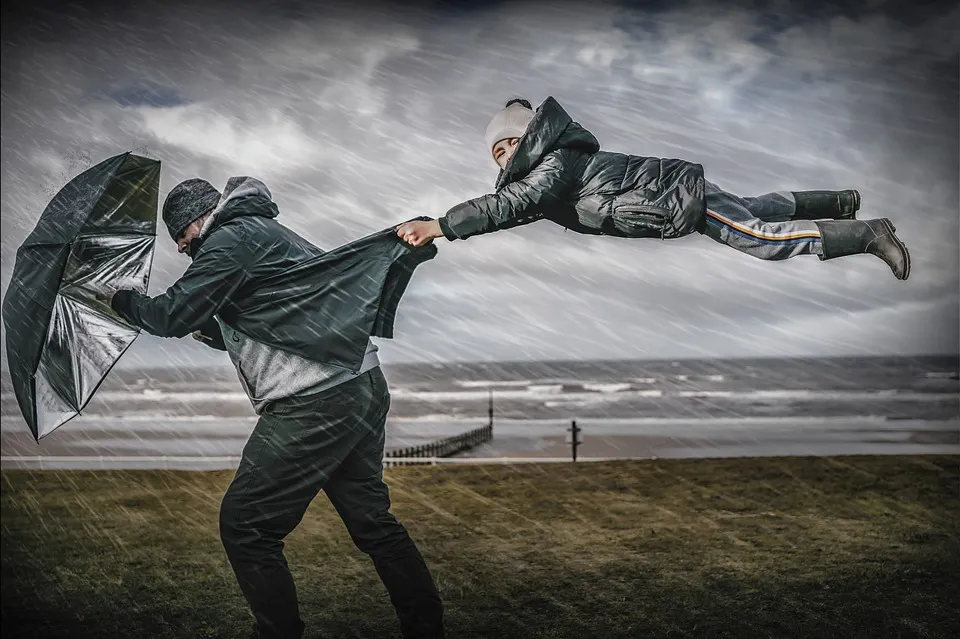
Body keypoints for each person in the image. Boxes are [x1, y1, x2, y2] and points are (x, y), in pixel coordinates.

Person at [104, 176, 445, 639]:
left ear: (197, 222)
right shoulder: (259, 234)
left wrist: (118, 299)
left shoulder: (230, 238)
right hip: (359, 385)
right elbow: (268, 322)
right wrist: (206, 324)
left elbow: (168, 315)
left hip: (313, 401)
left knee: (246, 527)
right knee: (372, 523)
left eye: (182, 241)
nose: (184, 253)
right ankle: (426, 628)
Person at [396, 96, 911, 281]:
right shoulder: (554, 170)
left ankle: (867, 234)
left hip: (673, 200)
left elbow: (511, 203)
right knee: (755, 208)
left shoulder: (551, 165)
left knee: (762, 240)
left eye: (506, 145)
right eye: (496, 154)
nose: (503, 157)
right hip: (675, 190)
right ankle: (841, 204)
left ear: (528, 137)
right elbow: (515, 210)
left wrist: (441, 225)